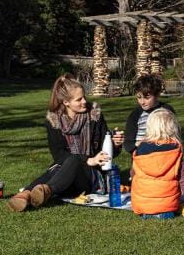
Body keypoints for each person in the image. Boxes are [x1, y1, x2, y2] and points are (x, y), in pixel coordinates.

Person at [7, 75, 124, 212]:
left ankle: (42, 191)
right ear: (66, 102)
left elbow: (106, 154)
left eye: (84, 97)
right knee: (61, 166)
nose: (84, 101)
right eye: (79, 99)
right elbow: (59, 155)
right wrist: (87, 159)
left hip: (90, 176)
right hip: (66, 170)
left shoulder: (94, 115)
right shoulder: (54, 120)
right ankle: (28, 195)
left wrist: (114, 144)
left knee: (71, 161)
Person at [130, 109, 184, 219]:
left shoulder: (139, 149)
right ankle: (162, 212)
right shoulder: (174, 151)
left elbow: (133, 174)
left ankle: (149, 212)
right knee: (170, 204)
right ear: (173, 128)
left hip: (141, 205)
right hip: (168, 206)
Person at [123, 74, 175, 154]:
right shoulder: (135, 115)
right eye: (139, 97)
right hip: (142, 159)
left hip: (165, 155)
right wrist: (135, 150)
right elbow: (128, 142)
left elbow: (175, 136)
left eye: (147, 98)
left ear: (157, 95)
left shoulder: (167, 111)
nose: (142, 102)